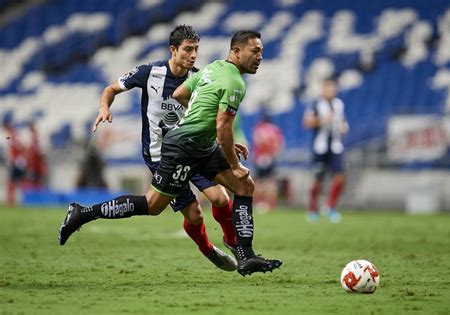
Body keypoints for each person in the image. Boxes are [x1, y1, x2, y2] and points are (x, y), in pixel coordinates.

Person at [59, 29, 282, 276]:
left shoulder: (203, 73)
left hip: (200, 146)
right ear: (173, 50)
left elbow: (187, 99)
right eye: (188, 49)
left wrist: (211, 131)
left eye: (196, 49)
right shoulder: (150, 72)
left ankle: (242, 252)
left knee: (228, 194)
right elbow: (111, 89)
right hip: (163, 153)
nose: (193, 55)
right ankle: (84, 213)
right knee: (173, 210)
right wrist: (104, 108)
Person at [303, 78, 349, 223]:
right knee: (318, 179)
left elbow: (342, 121)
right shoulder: (315, 104)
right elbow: (307, 123)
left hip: (335, 146)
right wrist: (322, 120)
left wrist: (343, 126)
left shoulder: (339, 104)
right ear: (323, 90)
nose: (331, 91)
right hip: (320, 147)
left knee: (340, 176)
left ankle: (330, 207)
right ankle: (312, 209)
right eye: (328, 88)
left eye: (333, 89)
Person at [251, 113, 284, 211]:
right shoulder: (275, 129)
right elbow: (280, 144)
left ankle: (259, 203)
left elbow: (256, 142)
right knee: (270, 181)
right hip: (271, 157)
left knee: (259, 181)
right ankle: (271, 204)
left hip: (260, 157)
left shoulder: (258, 128)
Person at [3, 118, 26, 206]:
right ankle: (17, 199)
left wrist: (18, 159)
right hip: (18, 161)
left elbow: (20, 147)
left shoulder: (13, 136)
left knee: (12, 182)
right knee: (17, 181)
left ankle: (10, 200)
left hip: (17, 162)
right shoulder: (13, 135)